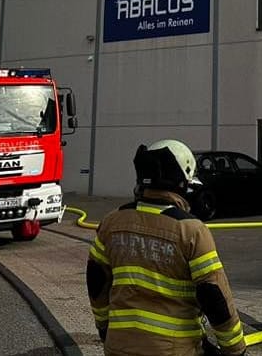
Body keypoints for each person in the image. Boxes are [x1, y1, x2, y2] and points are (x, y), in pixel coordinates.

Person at [86, 139, 247, 356]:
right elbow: (214, 295)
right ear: (181, 184)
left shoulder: (111, 223)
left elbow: (96, 282)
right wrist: (235, 349)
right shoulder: (191, 231)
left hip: (118, 347)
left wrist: (105, 329)